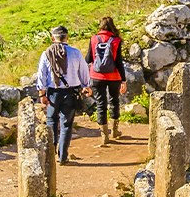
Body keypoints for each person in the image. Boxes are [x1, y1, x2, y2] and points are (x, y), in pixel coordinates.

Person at [37, 26, 90, 165]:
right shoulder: (76, 53)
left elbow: (41, 75)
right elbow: (84, 71)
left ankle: (51, 151)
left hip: (53, 91)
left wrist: (41, 93)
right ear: (67, 37)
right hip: (71, 92)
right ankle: (63, 156)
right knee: (66, 124)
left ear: (53, 38)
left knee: (51, 121)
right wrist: (86, 86)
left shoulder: (46, 53)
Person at [87, 16, 126, 146]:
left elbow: (88, 59)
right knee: (114, 101)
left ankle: (104, 137)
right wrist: (123, 80)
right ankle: (115, 131)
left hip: (96, 76)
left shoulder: (93, 39)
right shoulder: (116, 40)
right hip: (114, 76)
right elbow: (119, 62)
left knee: (100, 104)